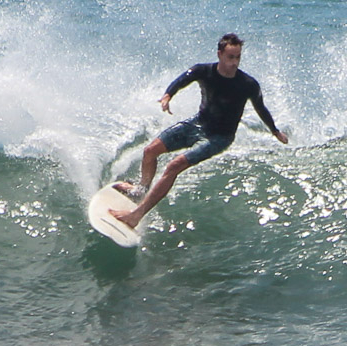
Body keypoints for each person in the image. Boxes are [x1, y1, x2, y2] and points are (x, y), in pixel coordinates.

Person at [112, 33, 288, 228]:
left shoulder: (248, 84)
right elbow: (181, 81)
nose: (235, 62)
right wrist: (167, 96)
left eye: (238, 57)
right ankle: (141, 190)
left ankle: (136, 215)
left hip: (220, 136)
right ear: (219, 54)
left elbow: (260, 108)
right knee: (150, 151)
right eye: (230, 57)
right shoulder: (203, 71)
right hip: (197, 124)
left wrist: (275, 131)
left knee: (173, 166)